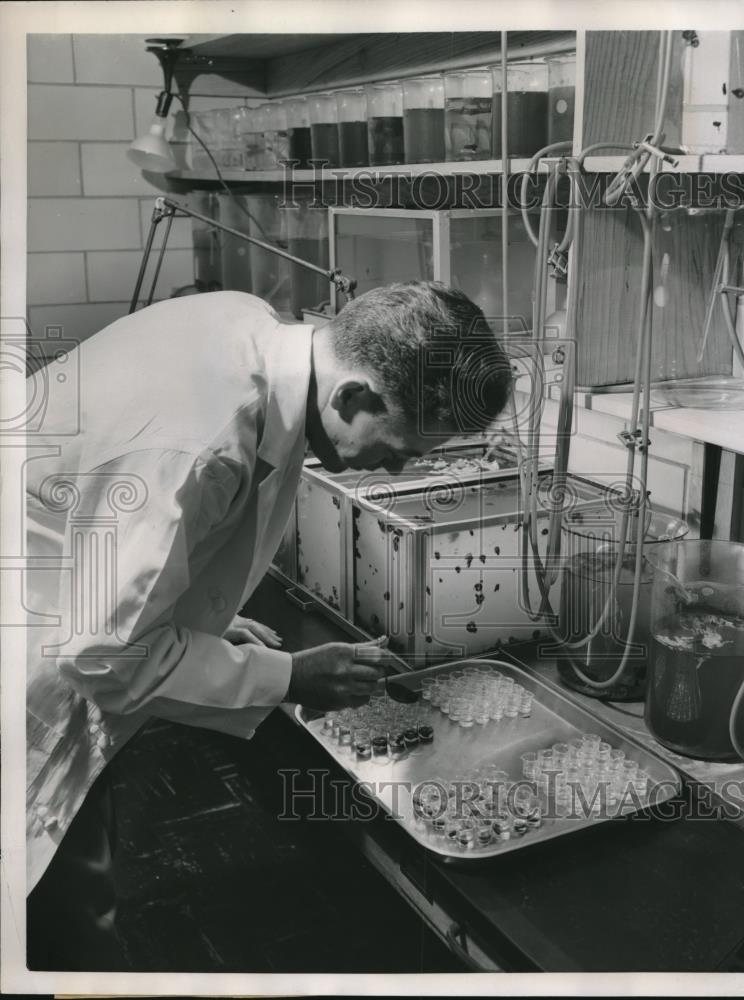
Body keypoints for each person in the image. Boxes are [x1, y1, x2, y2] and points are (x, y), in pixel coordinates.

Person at [24, 281, 512, 969]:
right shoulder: (205, 435)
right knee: (59, 913)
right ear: (351, 396)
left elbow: (129, 545)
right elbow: (103, 653)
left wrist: (195, 619)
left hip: (58, 600)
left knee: (76, 874)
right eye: (400, 447)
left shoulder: (254, 333)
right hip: (32, 665)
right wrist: (292, 676)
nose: (397, 468)